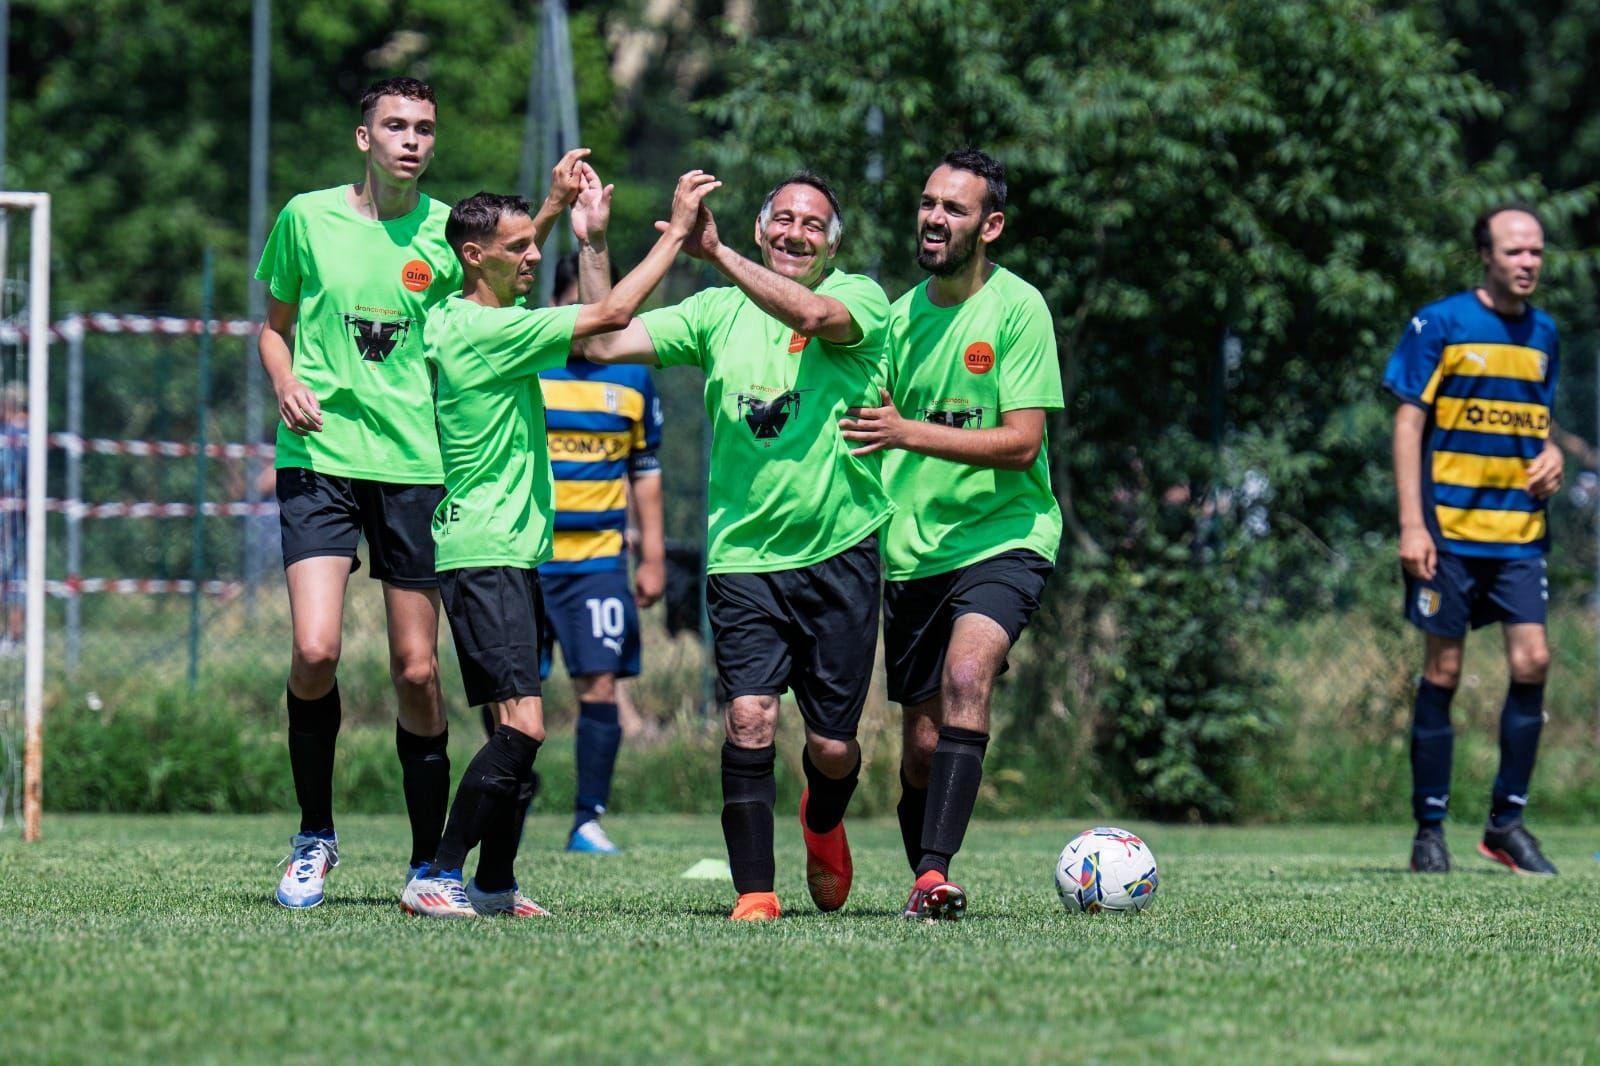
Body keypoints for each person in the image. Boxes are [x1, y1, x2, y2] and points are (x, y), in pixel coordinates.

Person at [255, 74, 590, 909]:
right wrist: (285, 380)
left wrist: (549, 210)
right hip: (320, 455)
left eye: (425, 127)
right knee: (315, 650)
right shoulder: (307, 217)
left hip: (415, 468)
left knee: (415, 671)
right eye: (396, 125)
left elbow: (501, 263)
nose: (412, 139)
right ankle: (314, 836)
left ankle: (426, 865)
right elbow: (274, 327)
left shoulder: (448, 231)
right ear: (363, 138)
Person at [400, 167, 718, 918]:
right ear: (476, 257)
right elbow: (610, 315)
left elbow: (573, 303)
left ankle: (495, 883)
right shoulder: (491, 332)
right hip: (487, 555)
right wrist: (676, 231)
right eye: (517, 248)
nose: (532, 257)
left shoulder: (451, 315)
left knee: (522, 727)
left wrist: (569, 225)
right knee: (527, 727)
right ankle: (437, 875)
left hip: (502, 553)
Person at [583, 172, 892, 921]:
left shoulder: (863, 299)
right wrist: (592, 242)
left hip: (839, 554)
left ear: (833, 243)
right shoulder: (714, 313)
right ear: (760, 229)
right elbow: (598, 341)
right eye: (781, 219)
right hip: (744, 562)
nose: (795, 233)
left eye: (812, 224)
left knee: (832, 750)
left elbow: (817, 316)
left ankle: (823, 820)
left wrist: (715, 252)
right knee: (748, 717)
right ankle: (756, 891)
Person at [839, 149, 1062, 920]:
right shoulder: (895, 320)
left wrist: (908, 431)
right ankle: (924, 878)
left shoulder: (1018, 309)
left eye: (955, 209)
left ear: (990, 225)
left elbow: (1022, 442)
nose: (934, 218)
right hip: (913, 553)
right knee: (923, 752)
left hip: (1005, 535)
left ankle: (934, 872)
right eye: (928, 203)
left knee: (972, 676)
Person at [1383, 204, 1563, 876]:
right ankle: (1430, 831)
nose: (1528, 264)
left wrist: (1553, 458)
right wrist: (1411, 523)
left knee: (1534, 661)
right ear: (1485, 255)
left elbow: (1535, 426)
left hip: (1519, 534)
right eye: (1515, 251)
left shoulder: (1545, 333)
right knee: (1444, 673)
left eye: (1537, 253)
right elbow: (1407, 425)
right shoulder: (1442, 323)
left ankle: (1506, 824)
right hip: (1449, 534)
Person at [538, 252, 666, 854]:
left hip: (596, 561)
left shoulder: (633, 376)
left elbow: (645, 467)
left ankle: (587, 817)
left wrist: (654, 555)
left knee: (598, 685)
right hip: (524, 556)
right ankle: (511, 791)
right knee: (512, 691)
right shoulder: (530, 362)